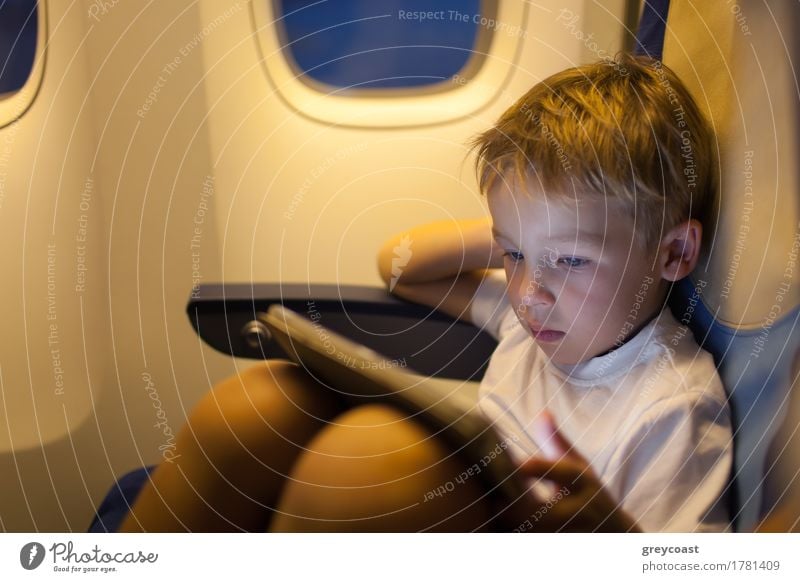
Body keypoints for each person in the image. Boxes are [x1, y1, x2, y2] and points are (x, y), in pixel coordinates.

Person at [119, 54, 731, 532]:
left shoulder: (672, 406)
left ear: (673, 253)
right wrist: (531, 236)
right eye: (511, 256)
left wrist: (614, 539)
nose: (530, 291)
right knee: (256, 407)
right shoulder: (532, 321)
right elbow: (403, 267)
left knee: (361, 459)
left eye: (571, 260)